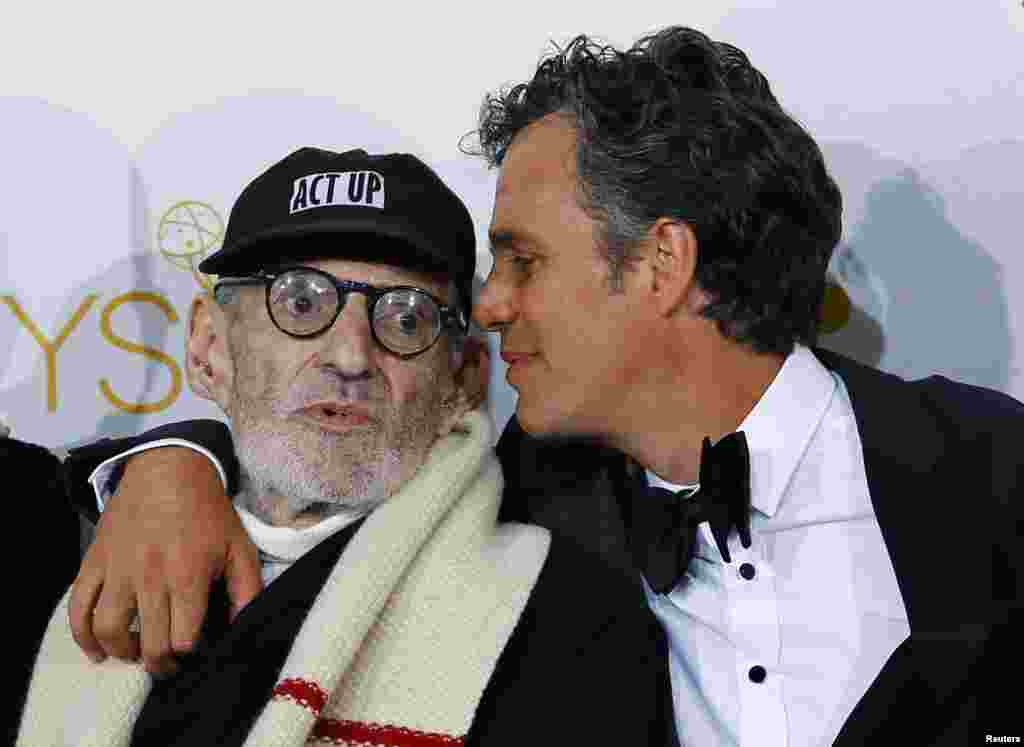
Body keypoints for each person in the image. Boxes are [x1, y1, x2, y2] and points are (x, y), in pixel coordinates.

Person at [59, 27, 1022, 746]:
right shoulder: (518, 517)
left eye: (521, 258)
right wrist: (168, 457)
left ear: (661, 263)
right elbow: (326, 457)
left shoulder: (994, 475)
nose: (489, 302)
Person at [15, 146, 672, 746]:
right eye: (299, 302)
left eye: (406, 317)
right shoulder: (53, 556)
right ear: (210, 345)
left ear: (465, 378)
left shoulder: (568, 627)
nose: (351, 354)